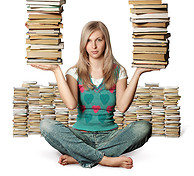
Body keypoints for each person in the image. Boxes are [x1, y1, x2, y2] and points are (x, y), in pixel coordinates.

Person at [31, 21, 158, 169]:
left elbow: (123, 107)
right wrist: (56, 71)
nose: (94, 46)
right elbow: (71, 105)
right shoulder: (74, 72)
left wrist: (138, 72)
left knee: (144, 127)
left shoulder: (119, 71)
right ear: (84, 44)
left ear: (106, 42)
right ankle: (105, 159)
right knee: (46, 125)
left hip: (110, 136)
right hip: (79, 136)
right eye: (89, 41)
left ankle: (79, 157)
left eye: (99, 40)